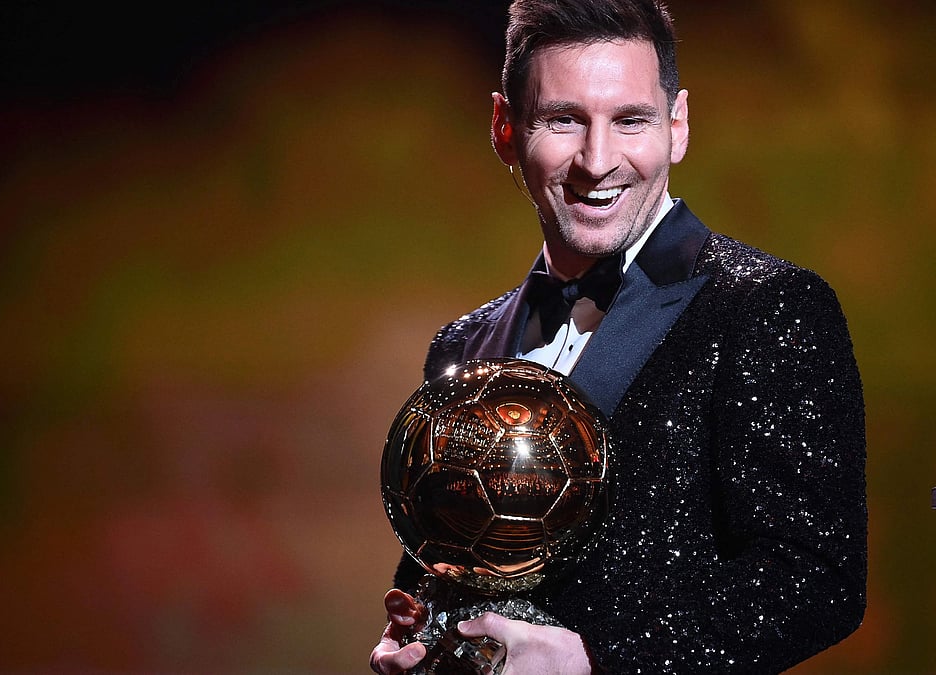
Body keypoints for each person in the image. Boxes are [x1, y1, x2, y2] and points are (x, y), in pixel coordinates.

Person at [370, 0, 867, 672]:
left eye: (630, 120)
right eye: (563, 120)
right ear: (504, 128)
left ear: (677, 125)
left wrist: (595, 658)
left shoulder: (767, 307)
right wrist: (424, 631)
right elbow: (450, 565)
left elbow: (814, 581)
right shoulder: (464, 344)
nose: (597, 160)